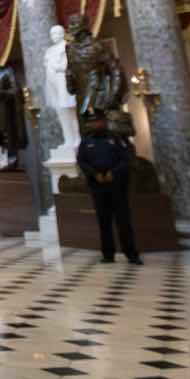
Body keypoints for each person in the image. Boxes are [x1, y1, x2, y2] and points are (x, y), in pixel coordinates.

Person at [77, 112, 142, 265]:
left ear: (104, 122)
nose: (95, 125)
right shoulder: (86, 142)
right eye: (92, 122)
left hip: (117, 186)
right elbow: (82, 161)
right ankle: (108, 254)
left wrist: (114, 173)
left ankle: (131, 254)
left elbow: (125, 160)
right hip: (98, 186)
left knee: (123, 221)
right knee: (103, 222)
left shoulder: (116, 139)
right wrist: (94, 174)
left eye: (98, 121)